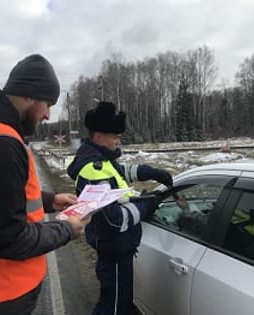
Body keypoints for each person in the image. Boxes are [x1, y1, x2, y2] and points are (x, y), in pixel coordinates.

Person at [0, 54, 90, 315]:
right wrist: (66, 229)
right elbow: (9, 239)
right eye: (48, 104)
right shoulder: (0, 142)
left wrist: (49, 201)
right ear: (29, 96)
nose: (47, 114)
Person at [67, 101, 173, 315]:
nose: (118, 140)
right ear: (98, 137)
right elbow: (113, 220)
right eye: (114, 136)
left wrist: (150, 172)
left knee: (120, 303)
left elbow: (121, 172)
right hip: (114, 249)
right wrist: (147, 204)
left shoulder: (101, 159)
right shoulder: (94, 169)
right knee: (113, 308)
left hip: (118, 249)